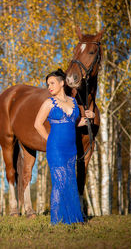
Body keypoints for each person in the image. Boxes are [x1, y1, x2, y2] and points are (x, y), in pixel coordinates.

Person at [34, 69, 95, 225]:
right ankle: (56, 221)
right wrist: (50, 140)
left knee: (69, 181)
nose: (49, 87)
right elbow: (37, 124)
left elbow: (75, 123)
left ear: (62, 83)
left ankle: (73, 218)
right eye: (48, 84)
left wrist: (87, 117)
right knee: (59, 182)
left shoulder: (73, 102)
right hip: (56, 148)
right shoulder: (49, 102)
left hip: (71, 148)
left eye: (52, 83)